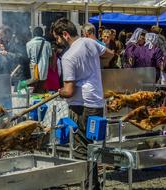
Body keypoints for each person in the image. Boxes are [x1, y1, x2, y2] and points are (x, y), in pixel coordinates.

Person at [51, 18, 114, 190]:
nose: (57, 42)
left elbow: (69, 90)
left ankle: (88, 186)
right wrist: (93, 67)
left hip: (81, 106)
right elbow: (109, 54)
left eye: (57, 38)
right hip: (96, 102)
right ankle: (94, 184)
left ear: (65, 34)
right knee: (92, 146)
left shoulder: (68, 56)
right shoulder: (89, 42)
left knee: (81, 149)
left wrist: (60, 91)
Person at [26, 27, 52, 93]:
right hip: (44, 67)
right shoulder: (47, 44)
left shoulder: (29, 44)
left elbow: (28, 56)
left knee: (33, 83)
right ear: (42, 34)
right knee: (41, 85)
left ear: (33, 34)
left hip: (33, 67)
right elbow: (50, 56)